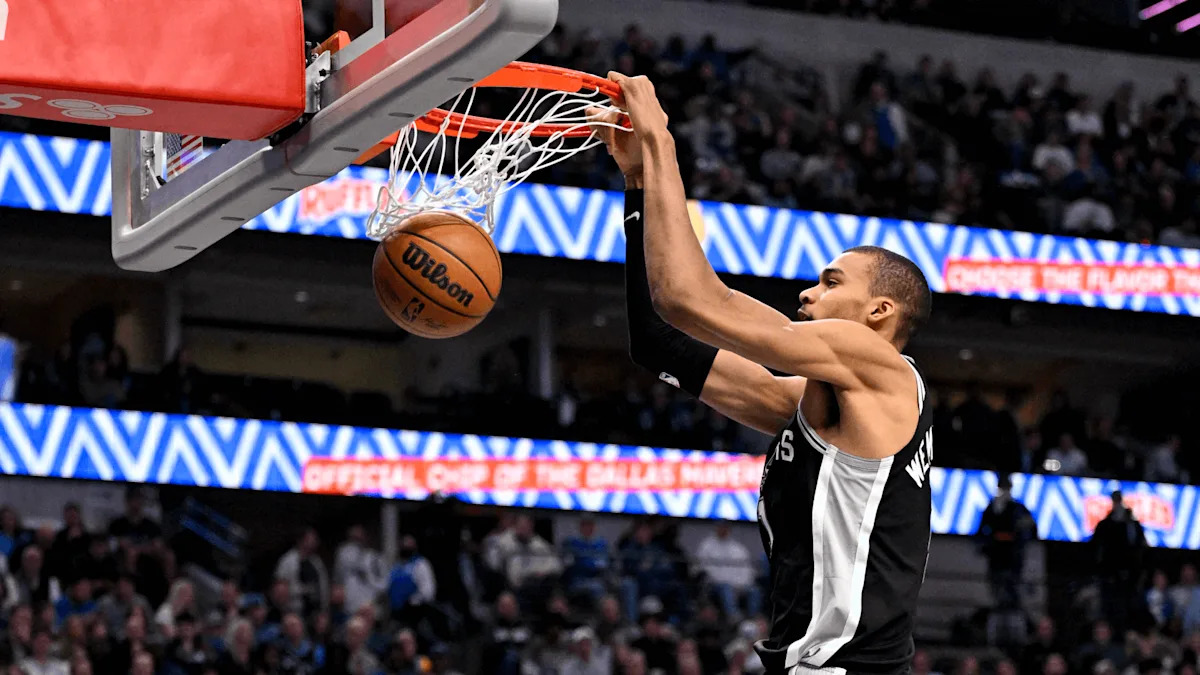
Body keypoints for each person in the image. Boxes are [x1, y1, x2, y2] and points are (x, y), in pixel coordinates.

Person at [592, 72, 935, 674]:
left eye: (830, 283)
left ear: (879, 312)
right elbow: (659, 341)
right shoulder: (820, 407)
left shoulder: (882, 368)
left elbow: (689, 300)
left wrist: (661, 142)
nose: (807, 293)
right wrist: (638, 184)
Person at [975, 474, 1037, 610]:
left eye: (1006, 488)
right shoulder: (991, 507)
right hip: (996, 553)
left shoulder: (1018, 507)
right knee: (996, 584)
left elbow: (1031, 524)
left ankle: (1013, 606)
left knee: (1012, 583)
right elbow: (982, 528)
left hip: (1012, 554)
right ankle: (999, 605)